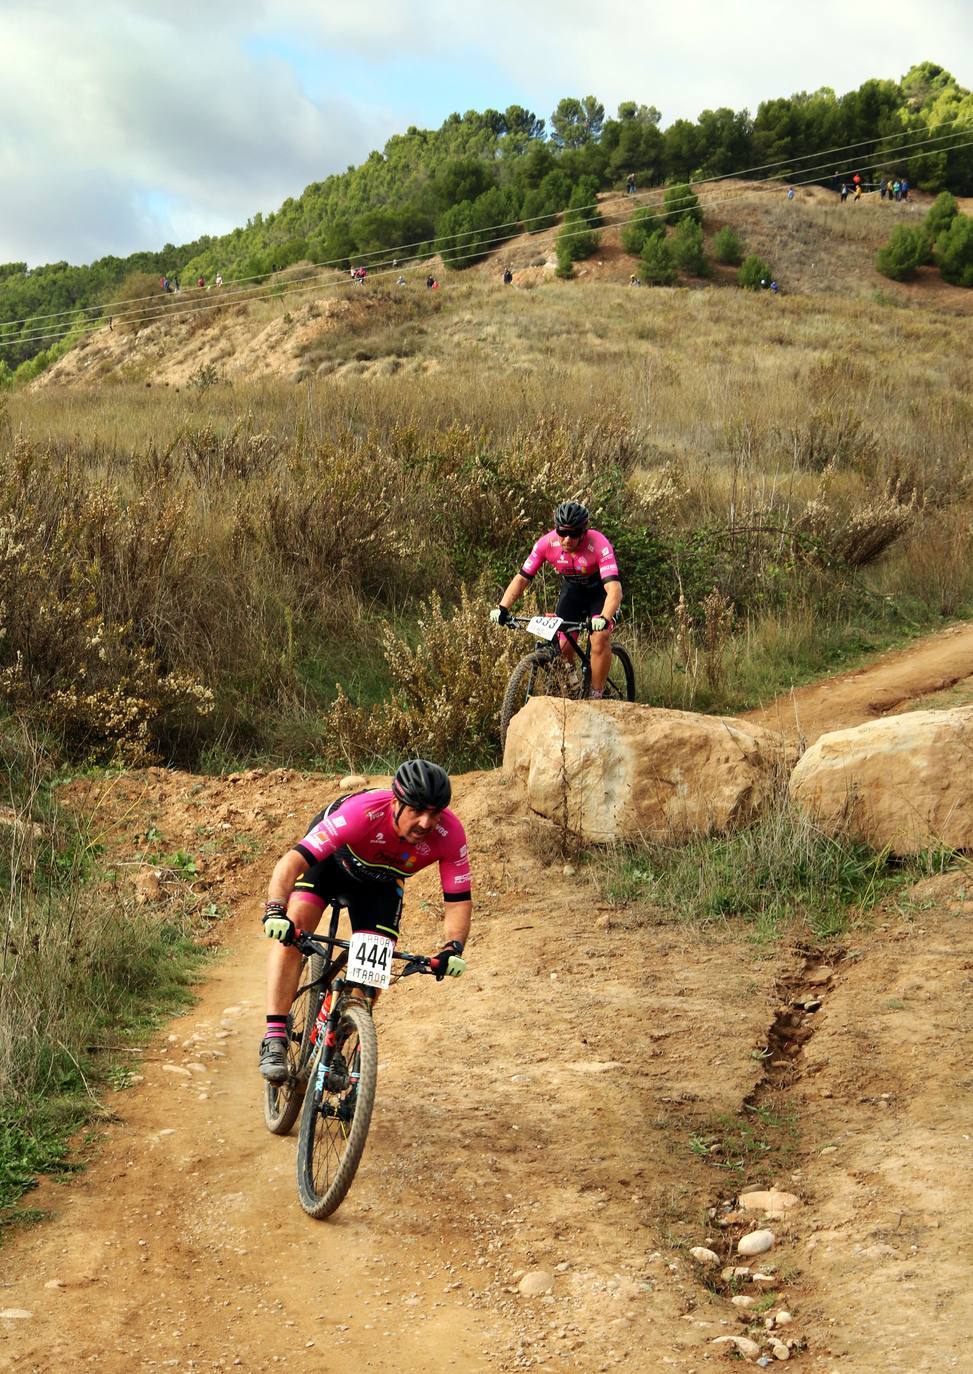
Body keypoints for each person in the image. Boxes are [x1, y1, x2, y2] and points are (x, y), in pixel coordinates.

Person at [259, 759, 471, 1082]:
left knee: (374, 964)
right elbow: (291, 863)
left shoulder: (449, 834)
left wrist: (452, 947)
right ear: (396, 802)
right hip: (331, 863)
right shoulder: (362, 814)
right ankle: (274, 1037)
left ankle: (338, 1042)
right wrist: (276, 909)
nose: (427, 822)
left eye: (435, 812)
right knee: (297, 922)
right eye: (417, 810)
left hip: (381, 884)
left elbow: (457, 900)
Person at [489, 501, 622, 700]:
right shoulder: (546, 543)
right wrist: (503, 607)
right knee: (562, 647)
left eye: (574, 534)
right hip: (573, 592)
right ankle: (574, 685)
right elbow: (522, 578)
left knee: (599, 637)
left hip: (599, 594)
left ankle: (596, 696)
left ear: (583, 532)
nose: (567, 539)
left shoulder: (599, 544)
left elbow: (614, 589)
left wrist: (605, 616)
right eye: (562, 532)